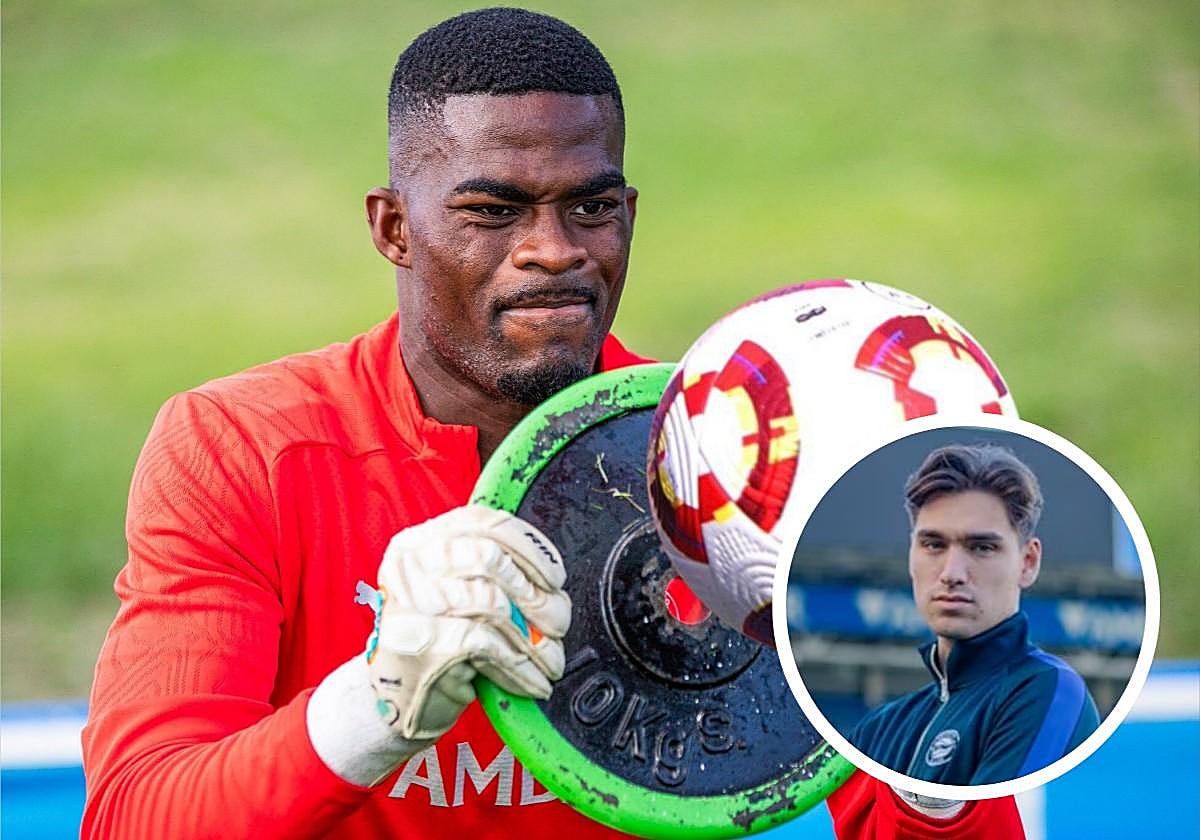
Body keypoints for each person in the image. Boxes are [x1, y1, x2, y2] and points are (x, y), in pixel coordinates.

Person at [81, 9, 1024, 838]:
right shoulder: (241, 449)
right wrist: (374, 705)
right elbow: (133, 815)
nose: (554, 251)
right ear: (393, 228)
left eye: (593, 206)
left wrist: (931, 748)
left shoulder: (740, 464)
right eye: (493, 210)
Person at [852, 443, 1100, 786]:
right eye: (934, 545)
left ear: (1028, 562)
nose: (952, 573)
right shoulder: (879, 728)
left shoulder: (1047, 691)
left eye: (981, 547)